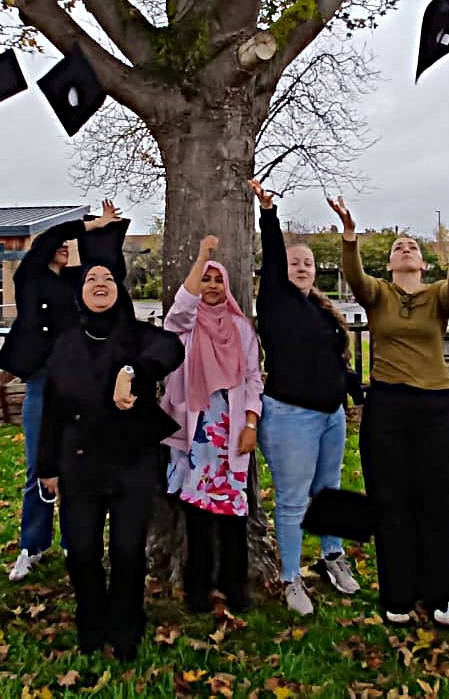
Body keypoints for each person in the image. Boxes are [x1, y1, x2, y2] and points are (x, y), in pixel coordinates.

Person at [328, 196, 449, 628]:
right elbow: (356, 278)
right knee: (391, 500)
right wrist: (350, 237)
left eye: (412, 246)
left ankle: (440, 593)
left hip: (436, 407)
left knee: (438, 499)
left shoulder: (436, 297)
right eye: (398, 247)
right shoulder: (379, 294)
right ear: (390, 264)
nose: (405, 249)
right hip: (388, 406)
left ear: (423, 264)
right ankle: (398, 592)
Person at [37, 262, 184, 661]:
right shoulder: (64, 344)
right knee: (82, 550)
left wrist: (133, 371)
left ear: (120, 291)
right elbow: (51, 409)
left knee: (127, 550)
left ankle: (127, 626)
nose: (100, 284)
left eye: (108, 279)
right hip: (79, 463)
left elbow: (173, 349)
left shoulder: (138, 336)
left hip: (130, 461)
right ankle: (91, 622)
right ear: (80, 293)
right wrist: (46, 466)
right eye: (91, 279)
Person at [0, 199, 126, 583]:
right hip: (42, 382)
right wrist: (91, 224)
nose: (65, 247)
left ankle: (75, 542)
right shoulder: (30, 277)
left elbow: (108, 272)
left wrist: (107, 230)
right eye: (60, 244)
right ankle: (32, 545)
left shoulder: (75, 284)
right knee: (39, 466)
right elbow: (51, 237)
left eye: (69, 246)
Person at [247, 179, 361, 616]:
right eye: (294, 262)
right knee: (294, 500)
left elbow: (332, 359)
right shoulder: (275, 302)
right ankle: (291, 577)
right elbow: (273, 257)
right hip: (291, 416)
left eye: (308, 263)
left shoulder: (320, 309)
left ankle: (333, 557)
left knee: (329, 491)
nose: (301, 267)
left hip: (331, 415)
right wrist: (269, 214)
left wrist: (351, 387)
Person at [162, 235, 263, 613]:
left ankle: (235, 588)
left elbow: (253, 379)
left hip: (232, 430)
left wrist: (251, 424)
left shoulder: (241, 329)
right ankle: (197, 589)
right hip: (196, 431)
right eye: (206, 279)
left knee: (234, 511)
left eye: (219, 280)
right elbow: (180, 308)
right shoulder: (185, 327)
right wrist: (203, 256)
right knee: (197, 513)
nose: (212, 286)